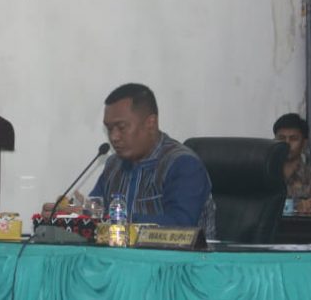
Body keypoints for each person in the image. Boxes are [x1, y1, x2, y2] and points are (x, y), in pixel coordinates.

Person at [89, 83, 216, 238]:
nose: (114, 137)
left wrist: (121, 220)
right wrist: (81, 213)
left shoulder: (183, 164)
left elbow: (181, 227)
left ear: (151, 123)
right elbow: (97, 211)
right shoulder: (113, 165)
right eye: (109, 129)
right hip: (121, 253)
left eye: (121, 127)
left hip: (176, 254)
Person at [272, 113, 311, 200]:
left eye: (293, 139)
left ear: (304, 143)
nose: (287, 143)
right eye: (281, 138)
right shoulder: (265, 175)